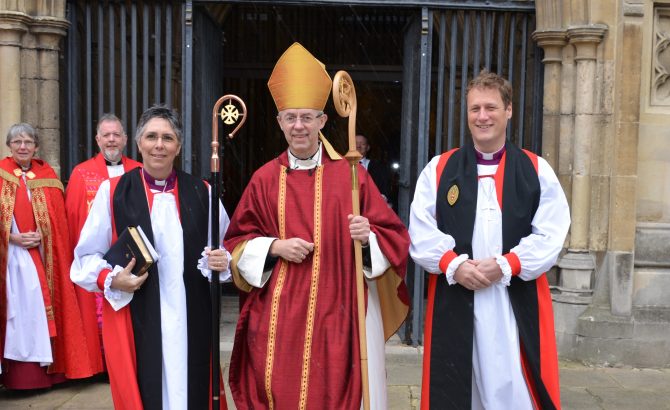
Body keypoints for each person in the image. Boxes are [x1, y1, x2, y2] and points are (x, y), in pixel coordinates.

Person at [224, 42, 410, 410]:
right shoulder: (264, 179)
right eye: (290, 117)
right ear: (279, 122)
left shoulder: (351, 176)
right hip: (277, 315)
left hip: (338, 309)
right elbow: (235, 244)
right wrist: (275, 247)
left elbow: (395, 238)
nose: (299, 126)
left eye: (307, 117)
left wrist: (367, 237)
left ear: (323, 121)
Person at [408, 70, 570, 410]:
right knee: (457, 388)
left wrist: (506, 265)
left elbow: (552, 233)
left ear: (508, 110)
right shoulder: (439, 169)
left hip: (512, 301)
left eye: (491, 108)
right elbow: (420, 230)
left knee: (515, 389)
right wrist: (453, 265)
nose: (482, 116)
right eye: (474, 109)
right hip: (457, 294)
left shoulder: (536, 170)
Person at [71, 105, 230, 409]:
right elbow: (85, 256)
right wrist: (112, 278)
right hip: (137, 316)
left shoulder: (203, 191)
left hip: (190, 314)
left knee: (191, 388)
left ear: (178, 146)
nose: (159, 145)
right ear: (139, 143)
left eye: (168, 138)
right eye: (152, 137)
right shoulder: (113, 191)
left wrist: (223, 261)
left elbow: (226, 248)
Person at [0, 123, 93, 389]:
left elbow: (59, 222)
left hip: (42, 259)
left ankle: (46, 376)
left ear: (37, 147)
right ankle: (13, 377)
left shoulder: (47, 175)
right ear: (9, 146)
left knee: (38, 316)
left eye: (28, 142)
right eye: (17, 142)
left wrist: (45, 236)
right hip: (9, 259)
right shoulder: (1, 174)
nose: (22, 147)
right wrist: (10, 237)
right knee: (15, 316)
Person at [65, 113, 141, 374]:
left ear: (126, 139)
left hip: (130, 256)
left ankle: (128, 363)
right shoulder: (81, 173)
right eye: (106, 135)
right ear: (97, 139)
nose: (111, 140)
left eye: (116, 134)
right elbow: (74, 219)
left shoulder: (138, 171)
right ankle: (99, 366)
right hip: (97, 261)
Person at [356, 134, 391, 204]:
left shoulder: (379, 168)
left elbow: (384, 191)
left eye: (362, 144)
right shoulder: (342, 166)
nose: (358, 146)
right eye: (355, 143)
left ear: (368, 148)